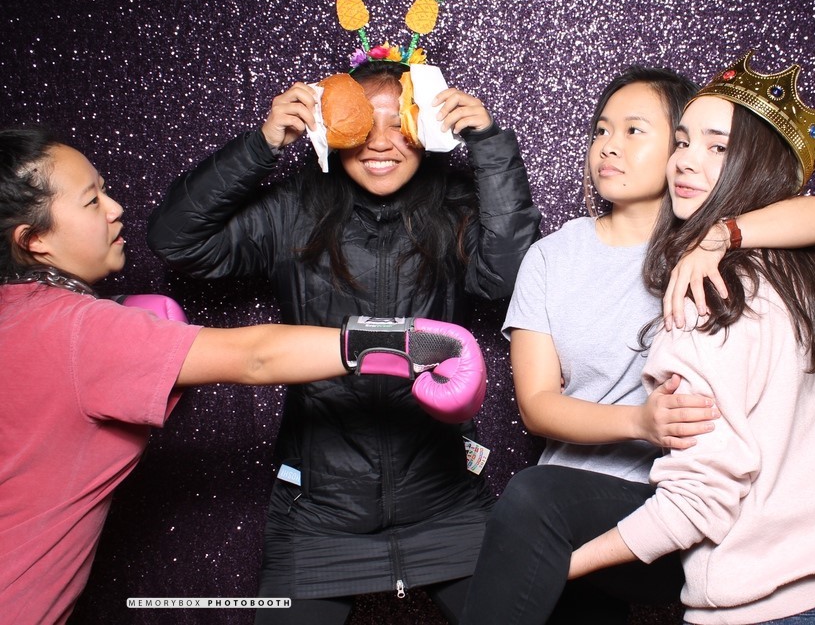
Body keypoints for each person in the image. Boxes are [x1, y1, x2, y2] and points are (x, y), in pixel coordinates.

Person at [0, 127, 484, 625]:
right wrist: (409, 342)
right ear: (33, 239)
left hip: (441, 498)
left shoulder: (26, 321)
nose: (116, 207)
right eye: (91, 200)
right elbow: (257, 357)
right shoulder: (83, 332)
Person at [145, 57, 541, 623]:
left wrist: (489, 145)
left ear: (428, 130)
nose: (380, 143)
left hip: (446, 499)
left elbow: (510, 277)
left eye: (399, 125)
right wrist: (262, 144)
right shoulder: (293, 210)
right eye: (362, 124)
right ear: (331, 129)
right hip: (318, 511)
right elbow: (176, 241)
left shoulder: (453, 208)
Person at [460, 66, 815, 625]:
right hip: (571, 501)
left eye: (634, 131)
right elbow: (537, 403)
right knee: (539, 514)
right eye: (601, 131)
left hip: (677, 502)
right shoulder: (552, 258)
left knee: (535, 506)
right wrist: (641, 422)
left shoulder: (707, 253)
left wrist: (719, 237)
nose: (609, 146)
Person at [567, 53, 815, 624]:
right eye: (682, 141)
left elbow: (695, 504)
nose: (685, 160)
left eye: (717, 147)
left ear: (754, 166)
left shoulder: (706, 300)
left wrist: (560, 566)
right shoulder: (793, 272)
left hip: (775, 609)